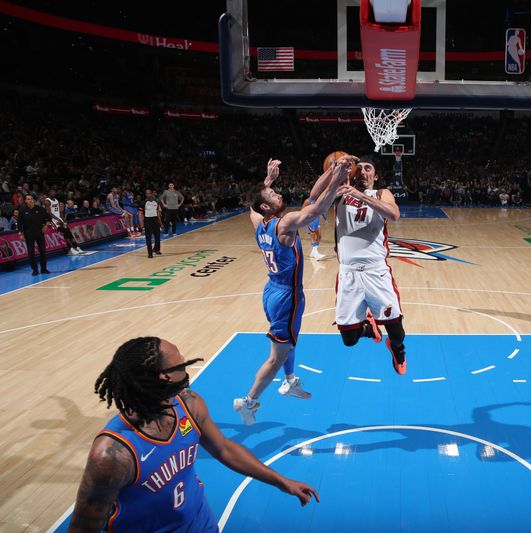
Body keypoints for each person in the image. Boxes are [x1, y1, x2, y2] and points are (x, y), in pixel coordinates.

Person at [68, 337, 318, 532]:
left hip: (202, 524)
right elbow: (82, 527)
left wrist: (280, 481)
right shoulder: (113, 454)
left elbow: (223, 447)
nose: (186, 360)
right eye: (180, 360)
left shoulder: (189, 403)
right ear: (164, 376)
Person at [234, 156, 353, 425]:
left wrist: (267, 180)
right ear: (267, 206)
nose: (279, 194)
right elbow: (316, 208)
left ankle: (290, 382)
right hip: (287, 295)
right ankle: (248, 402)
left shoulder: (259, 221)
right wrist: (336, 178)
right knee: (276, 357)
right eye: (274, 193)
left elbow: (251, 207)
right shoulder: (284, 224)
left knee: (288, 342)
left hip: (273, 291)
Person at [312, 156, 407, 375]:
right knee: (349, 340)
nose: (363, 171)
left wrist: (360, 195)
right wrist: (333, 171)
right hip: (349, 274)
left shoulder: (382, 193)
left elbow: (394, 214)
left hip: (376, 272)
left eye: (368, 168)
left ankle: (397, 348)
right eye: (360, 168)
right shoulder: (341, 192)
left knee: (397, 331)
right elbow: (314, 196)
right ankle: (368, 327)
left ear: (375, 175)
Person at [18, 194, 51, 275]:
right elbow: (19, 223)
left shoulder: (40, 209)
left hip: (39, 233)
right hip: (28, 234)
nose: (30, 200)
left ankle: (44, 269)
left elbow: (48, 218)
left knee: (43, 251)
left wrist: (46, 226)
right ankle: (35, 269)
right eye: (28, 199)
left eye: (31, 199)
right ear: (25, 201)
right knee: (31, 252)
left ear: (34, 200)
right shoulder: (22, 210)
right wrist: (20, 234)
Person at [143, 189, 163, 258]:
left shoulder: (156, 202)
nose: (148, 195)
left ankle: (156, 249)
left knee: (157, 236)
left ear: (152, 194)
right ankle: (150, 253)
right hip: (147, 220)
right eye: (146, 194)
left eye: (149, 193)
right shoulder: (144, 202)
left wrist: (160, 222)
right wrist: (141, 224)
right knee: (148, 238)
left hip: (155, 220)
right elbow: (140, 213)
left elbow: (158, 213)